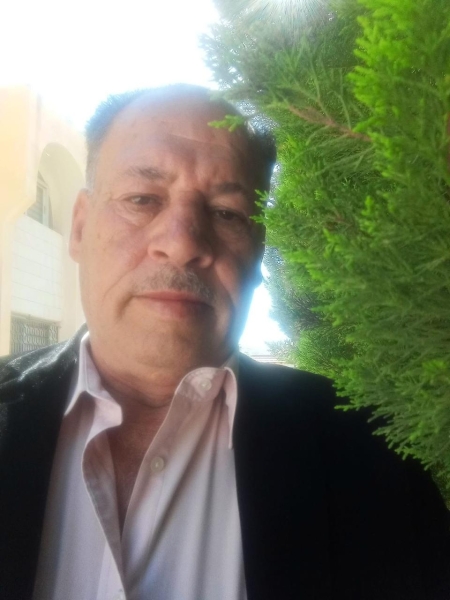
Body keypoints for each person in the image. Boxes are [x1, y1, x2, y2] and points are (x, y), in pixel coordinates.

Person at [0, 84, 449, 600]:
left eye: (227, 213)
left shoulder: (373, 459)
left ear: (258, 251)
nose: (183, 243)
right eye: (142, 199)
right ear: (79, 228)